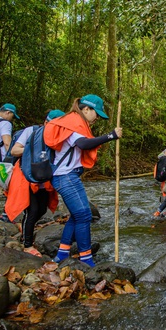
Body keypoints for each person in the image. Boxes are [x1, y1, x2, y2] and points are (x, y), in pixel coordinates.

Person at [44, 95, 122, 267]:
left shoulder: (72, 121)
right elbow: (83, 144)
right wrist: (111, 136)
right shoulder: (72, 122)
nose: (97, 118)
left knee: (77, 215)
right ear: (86, 109)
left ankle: (62, 253)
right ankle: (86, 258)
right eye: (97, 114)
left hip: (66, 176)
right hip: (65, 176)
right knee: (84, 215)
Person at [5, 109, 65, 256]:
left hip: (44, 178)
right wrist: (34, 150)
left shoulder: (60, 136)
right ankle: (27, 245)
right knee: (32, 210)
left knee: (42, 210)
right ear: (46, 122)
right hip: (26, 175)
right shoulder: (30, 131)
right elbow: (14, 151)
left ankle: (26, 230)